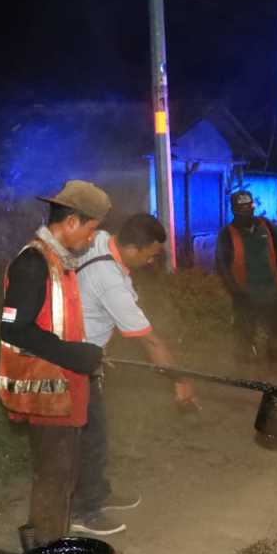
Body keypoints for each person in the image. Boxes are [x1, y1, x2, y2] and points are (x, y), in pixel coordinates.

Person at [67, 213, 196, 536]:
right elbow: (150, 341)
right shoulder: (111, 282)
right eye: (151, 255)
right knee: (90, 436)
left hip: (86, 350)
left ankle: (97, 491)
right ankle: (84, 510)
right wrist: (179, 381)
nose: (153, 262)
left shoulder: (100, 240)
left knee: (95, 431)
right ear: (134, 249)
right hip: (73, 361)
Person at [0, 180, 110, 546]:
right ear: (73, 222)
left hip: (68, 389)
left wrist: (87, 356)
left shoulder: (61, 263)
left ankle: (51, 551)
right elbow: (14, 329)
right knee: (52, 480)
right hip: (48, 395)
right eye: (93, 230)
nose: (93, 239)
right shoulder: (33, 264)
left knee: (64, 479)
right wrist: (75, 355)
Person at [215, 190, 277, 372]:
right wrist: (234, 290)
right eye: (241, 210)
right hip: (245, 294)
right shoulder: (226, 235)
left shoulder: (267, 226)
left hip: (271, 290)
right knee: (244, 335)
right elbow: (221, 265)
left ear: (253, 207)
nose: (246, 213)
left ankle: (275, 370)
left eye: (248, 209)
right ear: (233, 210)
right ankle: (245, 374)